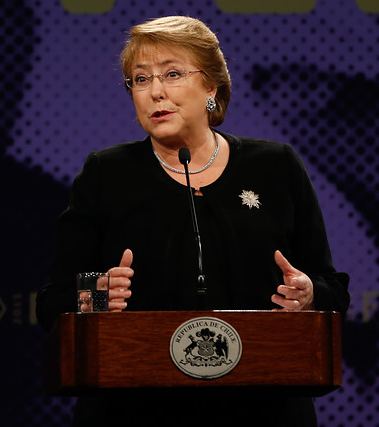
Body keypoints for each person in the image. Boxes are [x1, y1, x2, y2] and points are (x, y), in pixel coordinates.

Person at [36, 16, 350, 426]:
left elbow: (333, 289)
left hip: (263, 408)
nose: (156, 92)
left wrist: (309, 296)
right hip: (134, 410)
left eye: (172, 74)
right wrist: (96, 296)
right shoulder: (106, 174)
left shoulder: (276, 166)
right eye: (140, 79)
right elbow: (53, 302)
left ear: (211, 87)